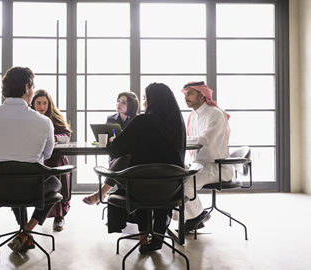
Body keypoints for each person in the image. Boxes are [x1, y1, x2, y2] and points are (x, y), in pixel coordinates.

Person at [0, 66, 60, 253]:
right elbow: (46, 155)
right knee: (55, 183)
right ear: (27, 87)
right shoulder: (44, 122)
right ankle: (25, 232)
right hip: (33, 188)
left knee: (12, 177)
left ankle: (24, 233)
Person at [104, 82, 186, 253]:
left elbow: (117, 150)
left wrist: (111, 142)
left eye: (145, 99)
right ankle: (157, 239)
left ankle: (143, 238)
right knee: (156, 183)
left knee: (140, 178)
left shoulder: (142, 121)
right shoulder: (178, 123)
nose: (144, 103)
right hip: (172, 189)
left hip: (140, 189)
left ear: (154, 100)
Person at [181, 81, 233, 232]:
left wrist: (179, 140)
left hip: (216, 166)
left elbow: (206, 140)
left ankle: (197, 216)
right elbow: (191, 140)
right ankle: (194, 216)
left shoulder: (216, 113)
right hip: (198, 164)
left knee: (186, 185)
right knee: (174, 177)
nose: (186, 97)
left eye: (190, 93)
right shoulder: (193, 115)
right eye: (185, 94)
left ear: (202, 94)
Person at [82, 91, 140, 205]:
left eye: (123, 102)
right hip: (115, 155)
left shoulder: (137, 120)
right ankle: (115, 210)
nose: (119, 104)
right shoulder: (111, 118)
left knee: (123, 160)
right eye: (118, 101)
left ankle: (101, 194)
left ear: (131, 105)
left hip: (132, 159)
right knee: (118, 162)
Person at [31, 89, 72, 232]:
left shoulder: (55, 117)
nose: (42, 106)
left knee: (59, 180)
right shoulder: (30, 117)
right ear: (32, 103)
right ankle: (38, 213)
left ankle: (59, 216)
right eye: (38, 103)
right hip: (37, 157)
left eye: (45, 103)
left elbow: (66, 133)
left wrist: (53, 138)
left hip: (56, 157)